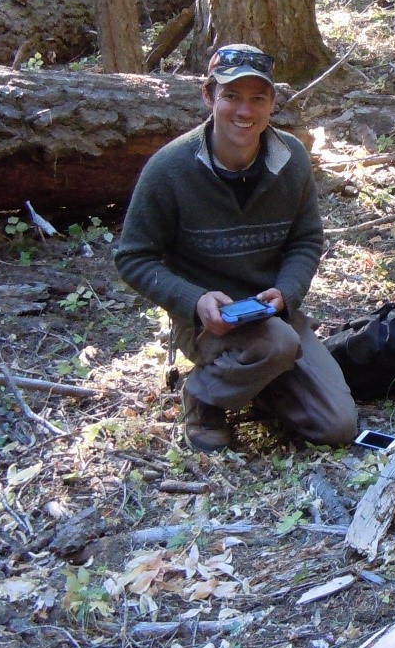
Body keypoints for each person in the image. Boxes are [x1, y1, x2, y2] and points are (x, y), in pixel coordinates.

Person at [115, 44, 358, 452]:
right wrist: (195, 300)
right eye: (231, 96)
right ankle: (203, 394)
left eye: (257, 98)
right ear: (208, 96)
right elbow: (133, 257)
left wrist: (287, 291)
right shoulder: (170, 168)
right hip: (207, 322)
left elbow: (305, 239)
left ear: (272, 104)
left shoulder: (290, 158)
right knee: (277, 346)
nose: (244, 112)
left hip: (274, 315)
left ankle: (254, 379)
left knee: (337, 427)